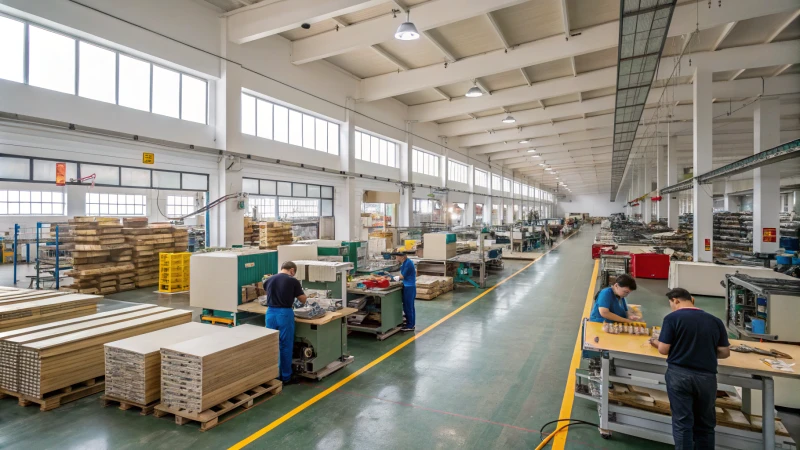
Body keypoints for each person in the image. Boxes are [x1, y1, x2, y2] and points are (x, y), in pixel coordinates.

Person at [650, 288, 731, 449]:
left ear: (676, 300)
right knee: (706, 425)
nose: (672, 307)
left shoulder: (672, 318)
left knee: (682, 423)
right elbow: (724, 352)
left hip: (679, 375)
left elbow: (664, 349)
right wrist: (703, 350)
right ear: (691, 299)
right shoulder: (715, 321)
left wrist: (655, 342)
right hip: (707, 378)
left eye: (671, 304)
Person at [265, 261, 307, 385]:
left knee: (272, 345)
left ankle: (274, 375)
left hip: (270, 313)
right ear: (292, 270)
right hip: (284, 313)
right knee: (285, 345)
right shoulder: (293, 281)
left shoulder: (269, 279)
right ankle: (286, 376)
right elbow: (302, 299)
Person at [392, 252, 416, 332]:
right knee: (409, 306)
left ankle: (410, 325)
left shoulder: (408, 263)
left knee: (408, 306)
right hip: (408, 285)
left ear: (402, 257)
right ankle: (410, 323)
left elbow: (402, 276)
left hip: (409, 287)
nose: (396, 258)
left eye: (397, 256)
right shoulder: (405, 262)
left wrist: (393, 278)